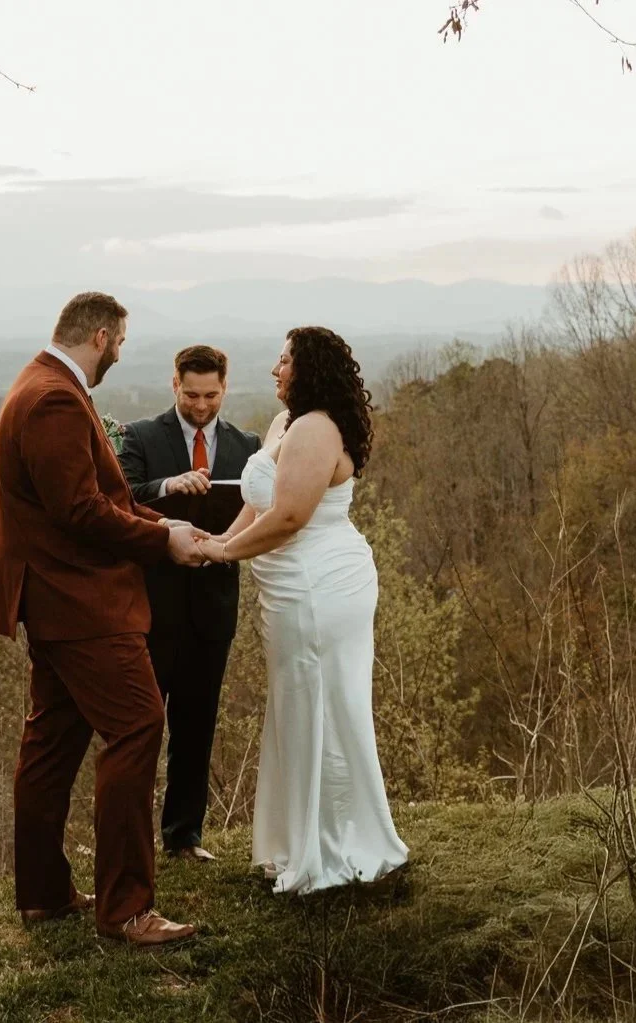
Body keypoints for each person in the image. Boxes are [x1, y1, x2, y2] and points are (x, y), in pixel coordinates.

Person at [0, 291, 205, 945]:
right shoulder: (52, 397)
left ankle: (44, 893)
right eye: (121, 344)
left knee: (50, 745)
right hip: (80, 604)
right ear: (102, 336)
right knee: (137, 725)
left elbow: (99, 499)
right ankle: (126, 909)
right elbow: (79, 511)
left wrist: (164, 523)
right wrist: (162, 541)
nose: (118, 355)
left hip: (55, 602)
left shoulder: (39, 382)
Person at [198, 326, 409, 894]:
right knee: (298, 706)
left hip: (320, 586)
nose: (274, 368)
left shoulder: (316, 429)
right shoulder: (286, 424)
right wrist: (214, 544)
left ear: (308, 367)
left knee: (325, 705)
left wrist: (223, 552)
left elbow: (290, 517)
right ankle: (298, 840)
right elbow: (257, 501)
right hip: (286, 588)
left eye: (285, 360)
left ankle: (337, 849)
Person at [118, 345, 261, 862]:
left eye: (212, 395)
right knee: (140, 727)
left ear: (225, 387)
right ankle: (130, 842)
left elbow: (260, 511)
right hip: (152, 606)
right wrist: (167, 485)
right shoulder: (140, 436)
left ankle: (183, 838)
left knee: (197, 725)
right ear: (173, 384)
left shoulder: (249, 445)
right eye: (191, 394)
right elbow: (122, 495)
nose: (201, 406)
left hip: (213, 606)